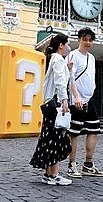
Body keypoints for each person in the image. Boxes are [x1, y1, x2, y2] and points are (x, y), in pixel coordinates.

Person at [30, 33, 73, 186]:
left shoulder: (55, 59)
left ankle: (49, 173)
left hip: (49, 104)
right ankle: (54, 174)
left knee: (49, 138)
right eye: (67, 44)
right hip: (55, 105)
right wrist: (64, 100)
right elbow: (60, 82)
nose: (68, 47)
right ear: (61, 45)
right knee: (57, 139)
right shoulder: (58, 59)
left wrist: (68, 69)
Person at [66, 28, 103, 178]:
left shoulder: (92, 58)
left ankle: (88, 164)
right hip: (76, 101)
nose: (88, 42)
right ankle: (72, 165)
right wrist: (76, 97)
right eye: (85, 39)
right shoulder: (72, 56)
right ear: (79, 40)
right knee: (74, 134)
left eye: (90, 40)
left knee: (94, 130)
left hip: (89, 100)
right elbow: (70, 78)